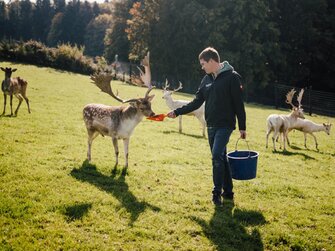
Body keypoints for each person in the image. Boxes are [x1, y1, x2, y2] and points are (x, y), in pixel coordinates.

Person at [167, 47, 246, 206]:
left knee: (216, 155)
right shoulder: (206, 80)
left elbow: (239, 104)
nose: (202, 67)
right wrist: (177, 111)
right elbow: (197, 102)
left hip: (225, 125)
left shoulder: (232, 77)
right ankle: (229, 192)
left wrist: (242, 127)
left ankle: (216, 193)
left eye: (203, 63)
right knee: (221, 157)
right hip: (211, 125)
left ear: (211, 61)